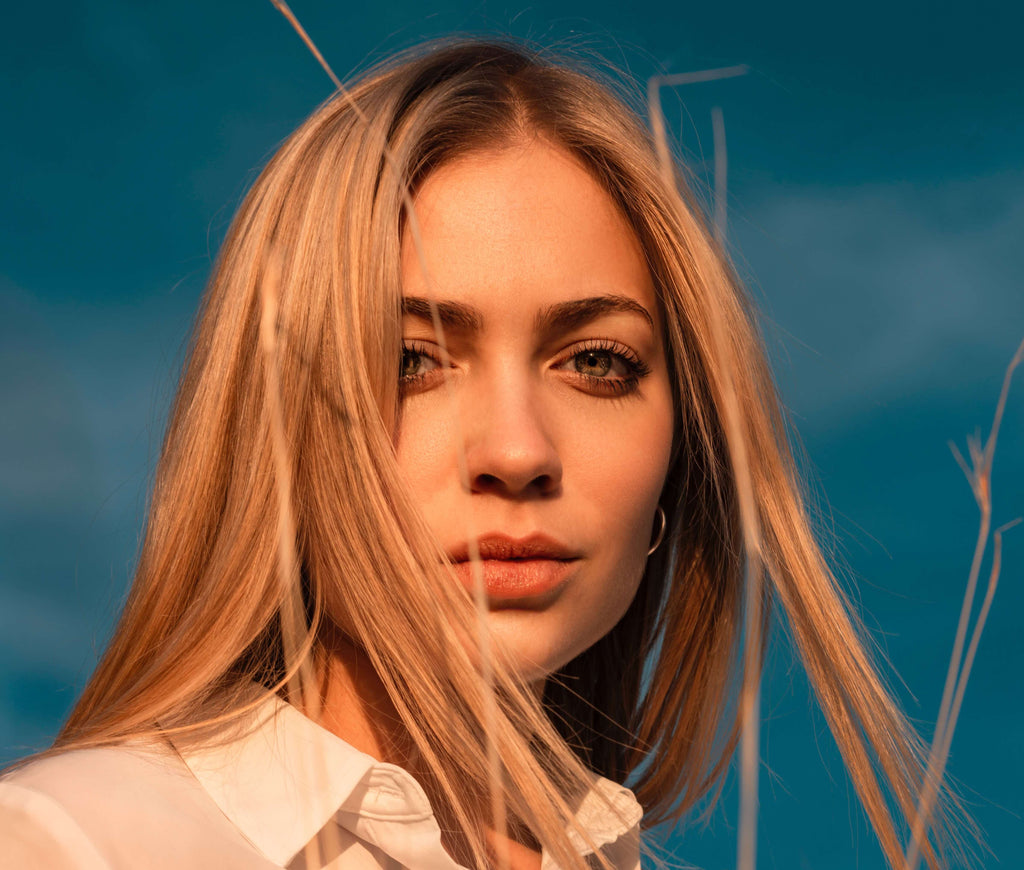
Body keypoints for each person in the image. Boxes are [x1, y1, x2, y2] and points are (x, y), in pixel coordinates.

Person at [0, 39, 955, 870]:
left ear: (682, 461)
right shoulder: (72, 842)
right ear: (272, 430)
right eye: (410, 360)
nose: (517, 451)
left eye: (595, 363)